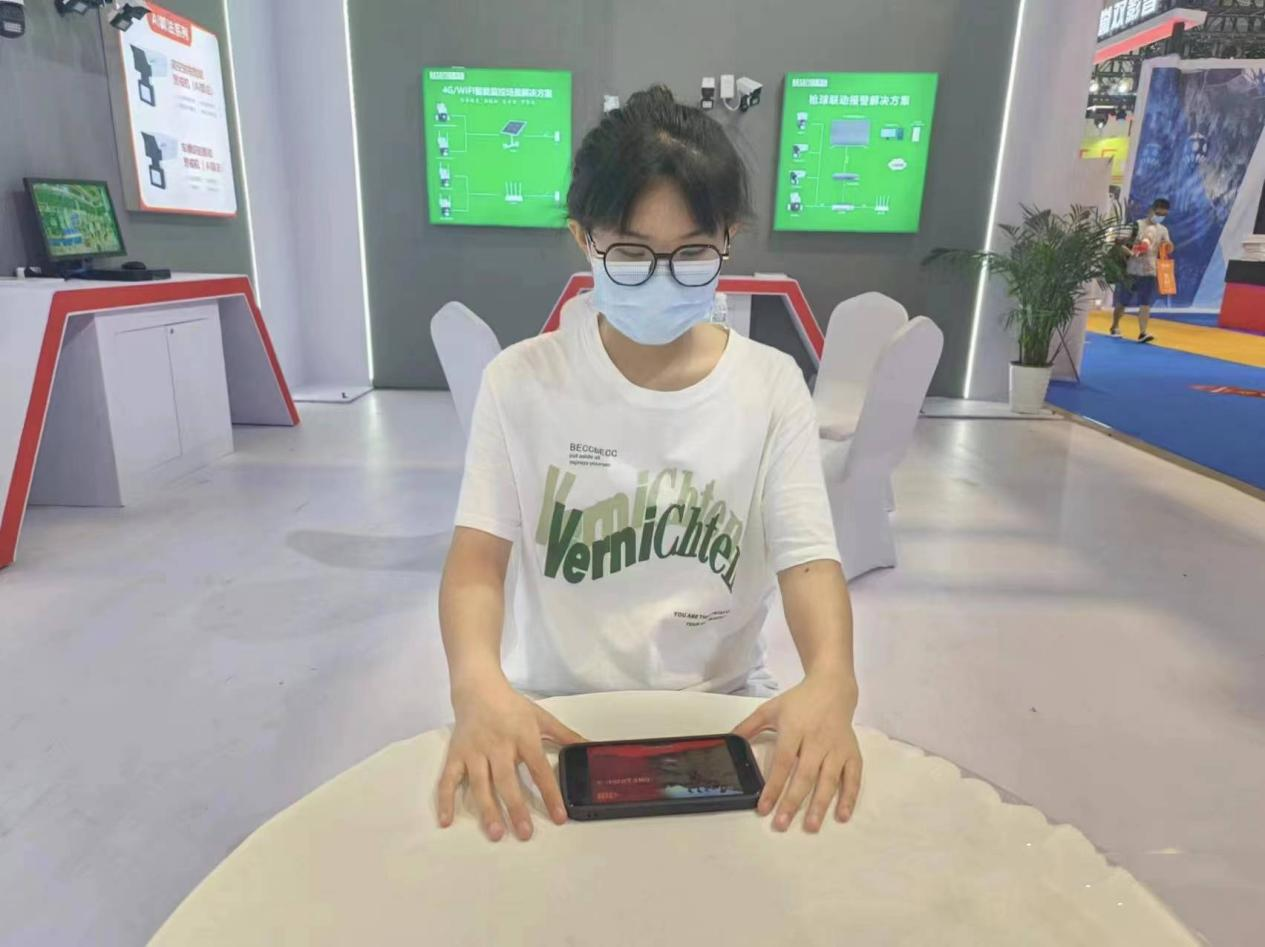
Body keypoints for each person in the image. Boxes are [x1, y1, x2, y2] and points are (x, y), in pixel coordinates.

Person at [435, 85, 862, 843]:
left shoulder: (770, 386)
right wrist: (475, 682)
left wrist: (831, 678)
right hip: (554, 715)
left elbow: (808, 562)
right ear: (583, 238)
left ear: (728, 239)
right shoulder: (521, 381)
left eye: (692, 253)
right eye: (630, 253)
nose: (662, 276)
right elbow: (476, 563)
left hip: (723, 714)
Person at [1110, 198, 1174, 344]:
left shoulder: (1163, 230)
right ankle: (1115, 326)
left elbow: (1169, 247)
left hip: (1149, 271)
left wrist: (1168, 246)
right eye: (1158, 213)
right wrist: (1130, 252)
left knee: (1145, 303)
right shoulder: (1136, 225)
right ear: (1151, 210)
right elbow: (1118, 242)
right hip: (1131, 270)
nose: (1160, 217)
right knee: (1123, 302)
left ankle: (1143, 332)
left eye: (1164, 215)